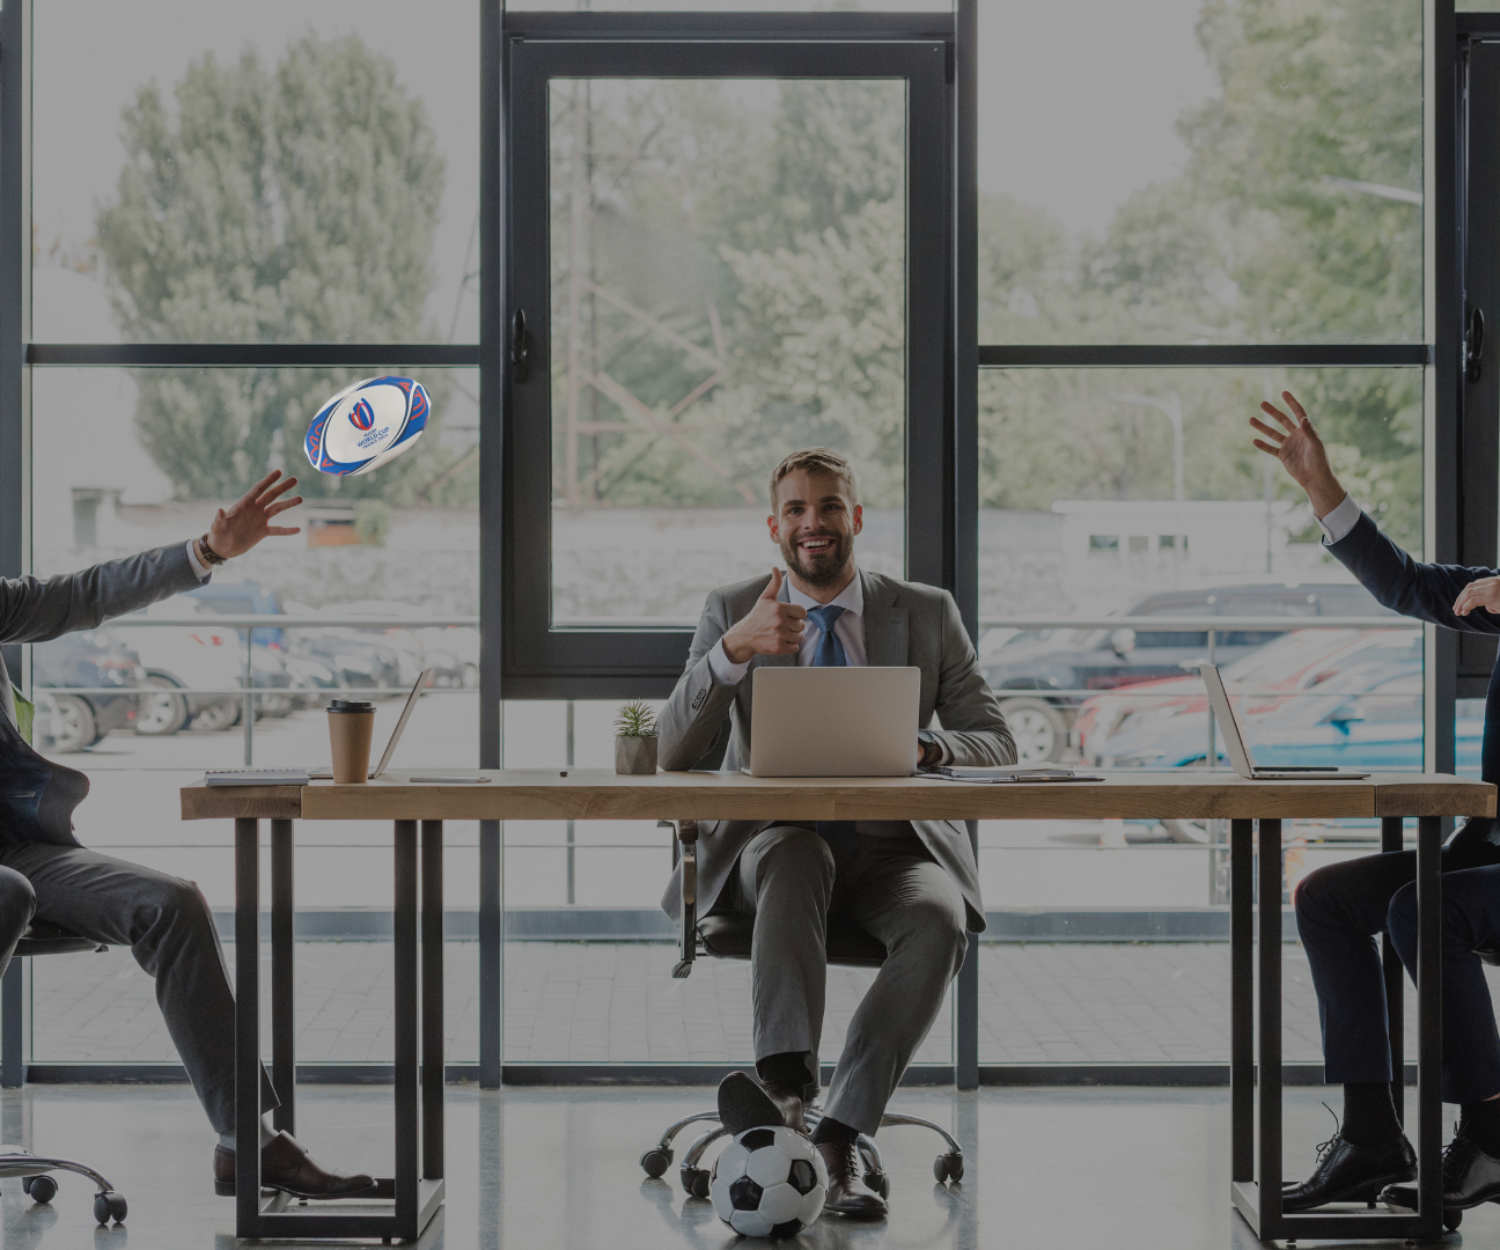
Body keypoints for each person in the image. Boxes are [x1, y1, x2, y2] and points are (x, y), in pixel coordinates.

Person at [656, 447, 1014, 1220]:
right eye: (795, 510)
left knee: (939, 916)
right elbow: (671, 753)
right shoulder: (732, 608)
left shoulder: (923, 611)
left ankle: (838, 1137)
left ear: (855, 518)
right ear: (774, 528)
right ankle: (785, 1090)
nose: (812, 524)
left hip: (893, 852)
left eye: (827, 508)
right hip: (772, 852)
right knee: (796, 850)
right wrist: (732, 652)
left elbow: (996, 739)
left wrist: (926, 747)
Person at [0, 470, 374, 1201]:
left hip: (17, 852)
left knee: (169, 903)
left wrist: (208, 550)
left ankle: (250, 1144)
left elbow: (86, 594)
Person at [1252, 392, 1500, 1213]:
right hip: (1490, 846)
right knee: (1328, 898)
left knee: (1422, 910)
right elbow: (1408, 585)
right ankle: (1369, 1137)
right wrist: (1322, 485)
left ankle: (1493, 1135)